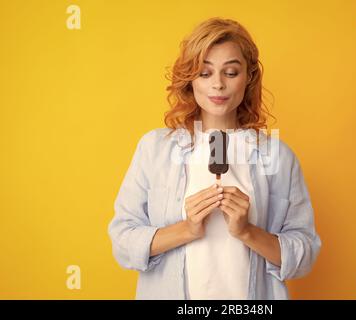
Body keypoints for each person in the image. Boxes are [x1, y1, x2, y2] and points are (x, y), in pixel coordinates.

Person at [108, 17, 321, 300]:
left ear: (249, 78)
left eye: (231, 72)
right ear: (190, 79)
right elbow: (123, 243)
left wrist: (246, 231)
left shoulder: (279, 157)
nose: (218, 85)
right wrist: (187, 229)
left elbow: (304, 254)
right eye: (205, 73)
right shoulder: (154, 148)